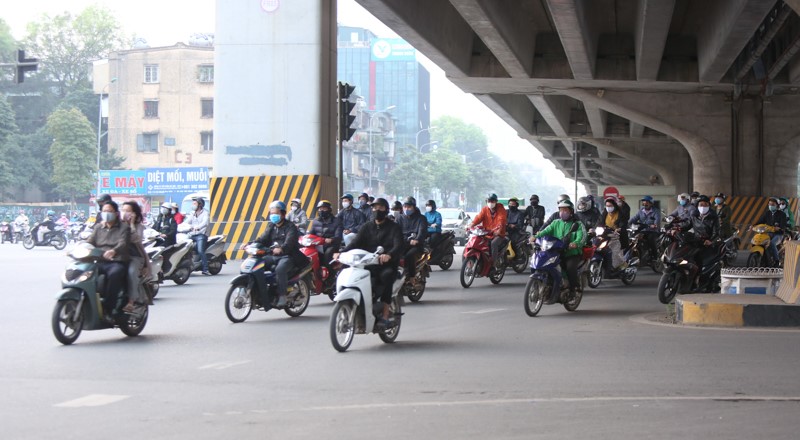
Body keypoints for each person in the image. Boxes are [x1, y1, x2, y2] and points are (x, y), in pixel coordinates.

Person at [335, 198, 403, 327]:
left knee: (386, 276)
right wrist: (342, 252)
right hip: (367, 263)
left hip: (386, 265)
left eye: (380, 208)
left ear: (386, 210)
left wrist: (388, 255)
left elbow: (398, 245)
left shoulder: (394, 227)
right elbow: (355, 242)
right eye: (374, 207)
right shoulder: (367, 226)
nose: (377, 210)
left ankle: (385, 314)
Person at [255, 200, 308, 307]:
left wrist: (281, 248)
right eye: (272, 213)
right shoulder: (271, 226)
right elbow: (262, 239)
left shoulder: (290, 227)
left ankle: (282, 295)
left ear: (283, 214)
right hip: (272, 255)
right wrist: (250, 244)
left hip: (288, 256)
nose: (273, 216)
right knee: (257, 265)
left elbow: (289, 243)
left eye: (276, 213)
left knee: (280, 269)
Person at [86, 201, 132, 319]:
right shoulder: (98, 227)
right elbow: (90, 241)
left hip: (116, 261)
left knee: (114, 274)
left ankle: (109, 307)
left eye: (109, 211)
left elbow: (123, 243)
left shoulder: (124, 227)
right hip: (99, 261)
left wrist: (113, 251)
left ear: (116, 213)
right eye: (104, 211)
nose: (106, 213)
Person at [534, 200, 586, 303]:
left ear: (571, 211)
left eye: (565, 210)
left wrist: (576, 243)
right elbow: (545, 231)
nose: (563, 212)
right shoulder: (555, 222)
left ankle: (573, 290)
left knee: (570, 268)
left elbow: (583, 236)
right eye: (561, 210)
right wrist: (535, 236)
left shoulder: (577, 224)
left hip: (571, 253)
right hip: (556, 251)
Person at [681, 195, 721, 290]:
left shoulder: (714, 217)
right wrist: (677, 228)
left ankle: (697, 280)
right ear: (697, 206)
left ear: (709, 205)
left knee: (699, 260)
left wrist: (710, 240)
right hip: (696, 241)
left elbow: (717, 233)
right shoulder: (694, 215)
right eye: (701, 204)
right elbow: (686, 225)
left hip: (707, 243)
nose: (703, 207)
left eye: (705, 204)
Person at [120, 201, 151, 312]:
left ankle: (131, 301)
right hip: (119, 256)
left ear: (135, 214)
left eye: (128, 211)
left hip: (135, 256)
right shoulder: (117, 224)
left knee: (131, 272)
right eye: (123, 210)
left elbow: (136, 239)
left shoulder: (139, 227)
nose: (125, 213)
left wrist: (131, 224)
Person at [469, 193, 508, 268]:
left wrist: (499, 229)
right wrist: (472, 224)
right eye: (489, 201)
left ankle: (493, 263)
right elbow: (479, 218)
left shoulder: (500, 208)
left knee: (493, 244)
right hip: (486, 233)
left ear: (496, 201)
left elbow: (502, 219)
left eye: (493, 201)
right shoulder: (485, 209)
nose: (491, 203)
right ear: (486, 201)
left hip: (498, 234)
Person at [395, 196, 427, 282]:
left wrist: (417, 240)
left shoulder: (421, 218)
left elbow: (422, 232)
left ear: (414, 207)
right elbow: (394, 231)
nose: (406, 209)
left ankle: (412, 276)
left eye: (409, 207)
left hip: (416, 245)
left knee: (409, 256)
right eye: (405, 207)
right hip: (402, 244)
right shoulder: (399, 218)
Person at [752, 197, 787, 266]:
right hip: (768, 233)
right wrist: (753, 226)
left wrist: (779, 228)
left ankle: (777, 261)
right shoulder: (767, 213)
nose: (771, 206)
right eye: (769, 204)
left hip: (778, 234)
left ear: (777, 205)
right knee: (760, 241)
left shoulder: (782, 214)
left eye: (773, 204)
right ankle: (763, 258)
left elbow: (783, 225)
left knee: (772, 243)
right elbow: (760, 221)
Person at [308, 200, 342, 269]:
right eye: (320, 209)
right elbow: (310, 234)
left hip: (331, 245)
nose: (322, 210)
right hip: (318, 244)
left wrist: (331, 239)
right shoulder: (315, 221)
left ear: (329, 209)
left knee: (328, 253)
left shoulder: (337, 221)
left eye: (324, 208)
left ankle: (330, 274)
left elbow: (338, 237)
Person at [184, 197, 211, 275]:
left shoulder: (205, 213)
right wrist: (181, 226)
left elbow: (205, 223)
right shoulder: (192, 213)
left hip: (201, 235)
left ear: (200, 205)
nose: (193, 205)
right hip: (192, 234)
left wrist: (198, 227)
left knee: (200, 251)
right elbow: (187, 222)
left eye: (195, 203)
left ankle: (205, 269)